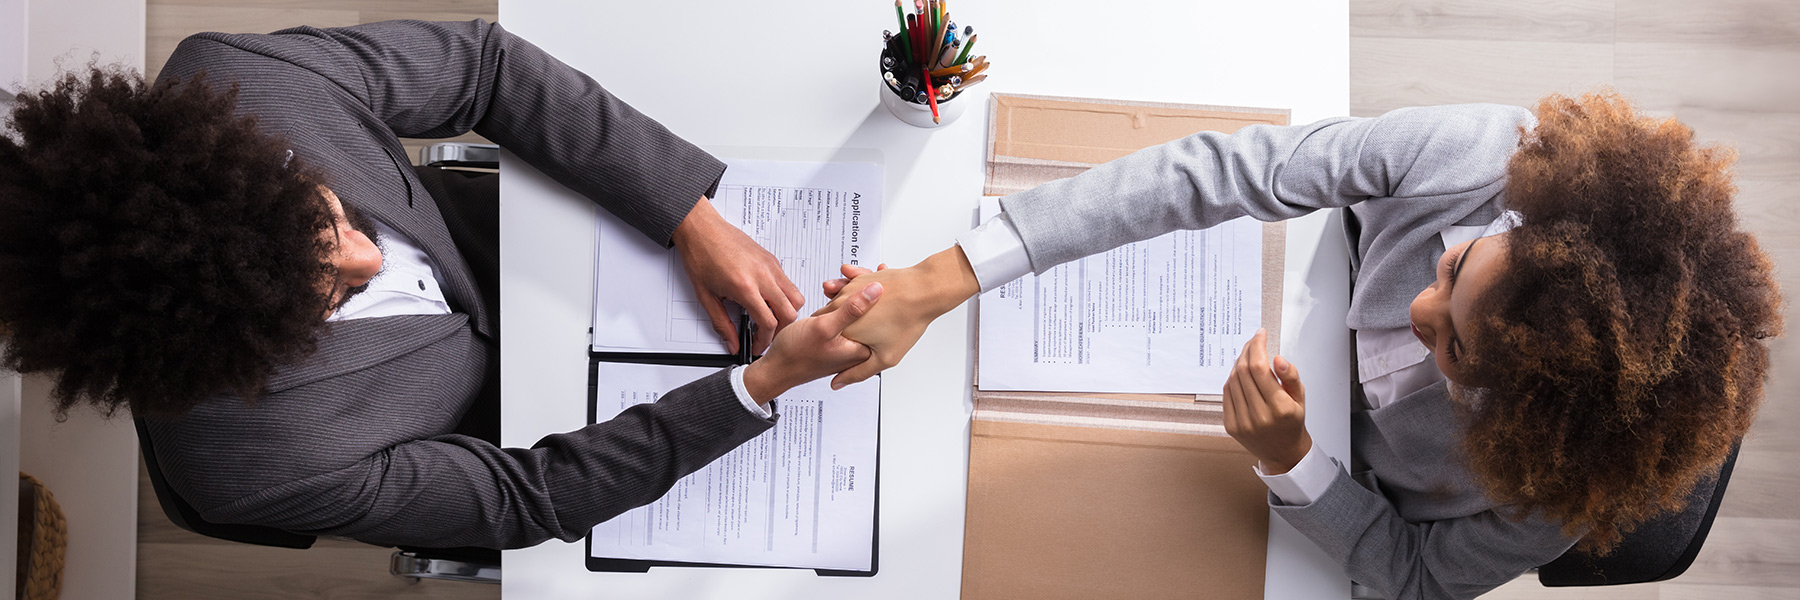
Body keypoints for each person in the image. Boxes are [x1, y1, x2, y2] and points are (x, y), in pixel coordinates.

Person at [814, 92, 1784, 599]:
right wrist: (942, 279)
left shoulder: (1556, 495)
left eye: (1453, 355)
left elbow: (1412, 579)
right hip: (1270, 300)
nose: (1416, 310)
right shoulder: (1490, 156)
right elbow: (1232, 168)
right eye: (1453, 269)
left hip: (1288, 503)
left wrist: (1296, 464)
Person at [0, 19, 882, 550]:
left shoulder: (247, 81)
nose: (371, 259)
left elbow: (484, 68)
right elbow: (524, 498)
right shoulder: (255, 467)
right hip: (518, 422)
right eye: (328, 295)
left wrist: (686, 214)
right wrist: (760, 387)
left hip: (531, 237)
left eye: (331, 218)